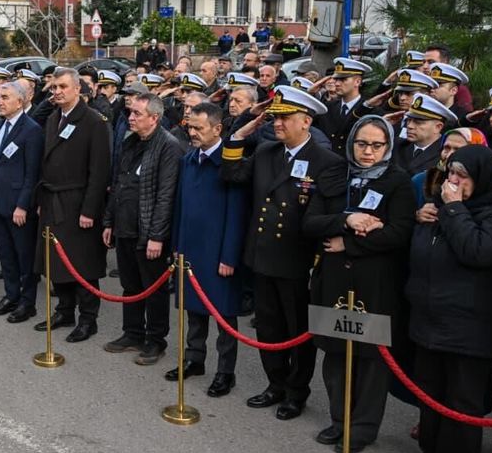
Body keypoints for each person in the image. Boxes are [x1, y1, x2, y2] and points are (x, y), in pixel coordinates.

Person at [220, 86, 346, 420]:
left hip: (296, 260)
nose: (277, 124)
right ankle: (275, 384)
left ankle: (295, 391)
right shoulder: (266, 152)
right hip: (262, 255)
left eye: (285, 118)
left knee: (296, 332)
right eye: (275, 118)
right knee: (269, 328)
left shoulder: (326, 162)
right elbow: (232, 173)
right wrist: (240, 133)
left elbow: (330, 217)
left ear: (306, 121)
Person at [402, 145, 492, 453]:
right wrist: (421, 217)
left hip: (471, 326)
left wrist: (453, 209)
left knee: (462, 399)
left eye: (462, 175)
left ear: (482, 178)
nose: (452, 181)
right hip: (430, 317)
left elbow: (479, 251)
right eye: (450, 173)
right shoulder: (438, 208)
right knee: (431, 392)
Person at [303, 116, 415, 453]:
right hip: (334, 281)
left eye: (376, 145)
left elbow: (398, 233)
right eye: (361, 144)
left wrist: (347, 244)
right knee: (336, 355)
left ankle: (363, 428)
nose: (367, 152)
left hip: (374, 286)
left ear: (388, 146)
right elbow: (311, 222)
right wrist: (347, 219)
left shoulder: (398, 181)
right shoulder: (338, 175)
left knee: (370, 361)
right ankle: (339, 421)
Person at [169, 102, 246, 395]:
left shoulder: (229, 164)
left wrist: (229, 256)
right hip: (191, 250)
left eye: (199, 128)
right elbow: (181, 207)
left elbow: (236, 214)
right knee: (194, 310)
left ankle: (226, 372)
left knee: (224, 315)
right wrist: (177, 246)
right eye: (190, 127)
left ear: (218, 129)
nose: (193, 133)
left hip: (218, 253)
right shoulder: (188, 160)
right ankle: (194, 358)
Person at [102, 93, 184, 364]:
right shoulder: (130, 141)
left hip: (149, 233)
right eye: (131, 113)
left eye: (137, 113)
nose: (131, 118)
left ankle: (155, 341)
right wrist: (109, 221)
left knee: (154, 289)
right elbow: (119, 183)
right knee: (130, 285)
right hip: (125, 226)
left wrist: (157, 236)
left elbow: (165, 195)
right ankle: (132, 333)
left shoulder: (168, 146)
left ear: (154, 117)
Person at [35, 68, 112, 343]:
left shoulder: (94, 122)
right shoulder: (54, 118)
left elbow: (99, 171)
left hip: (78, 202)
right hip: (53, 199)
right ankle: (65, 310)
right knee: (55, 261)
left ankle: (88, 319)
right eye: (54, 87)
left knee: (82, 264)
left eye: (63, 87)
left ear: (78, 89)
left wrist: (90, 210)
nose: (57, 91)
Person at [0, 80, 44, 323]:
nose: (0, 101)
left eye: (6, 97)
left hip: (18, 206)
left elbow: (32, 173)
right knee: (6, 255)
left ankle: (27, 303)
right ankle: (11, 295)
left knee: (23, 256)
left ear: (20, 101)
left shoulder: (31, 130)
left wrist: (23, 205)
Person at [399, 94, 457, 175]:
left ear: (438, 127)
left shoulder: (446, 154)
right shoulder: (398, 146)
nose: (409, 126)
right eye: (408, 120)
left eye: (418, 122)